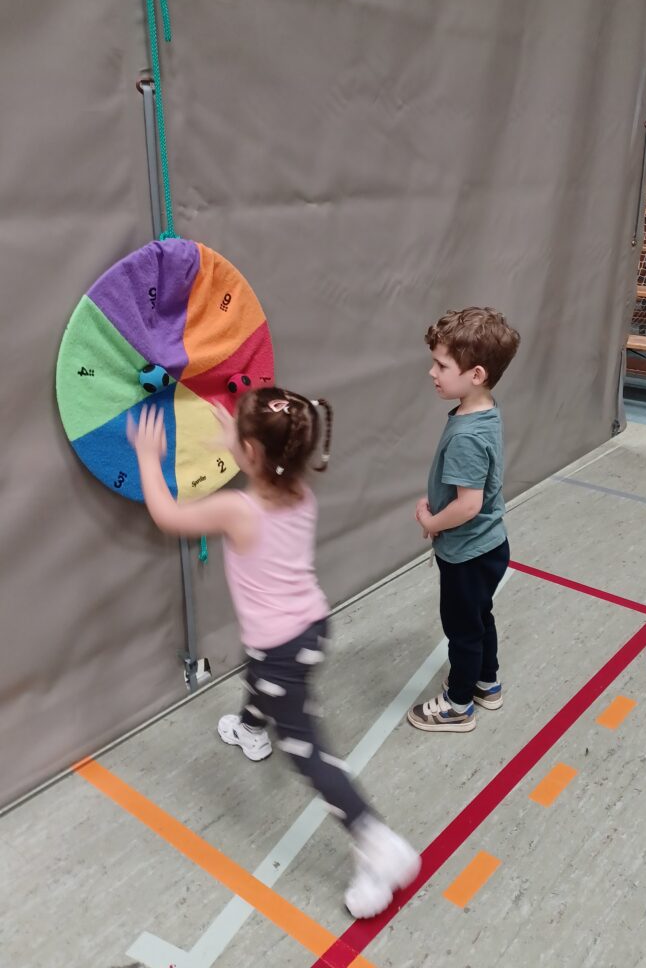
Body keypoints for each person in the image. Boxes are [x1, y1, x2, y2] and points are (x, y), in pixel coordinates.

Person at [127, 387, 420, 917]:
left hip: (279, 648)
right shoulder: (301, 491)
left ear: (252, 453)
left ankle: (375, 841)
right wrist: (238, 440)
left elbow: (167, 515)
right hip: (311, 629)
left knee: (306, 750)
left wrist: (148, 457)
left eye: (240, 439)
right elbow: (270, 465)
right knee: (264, 680)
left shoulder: (237, 510)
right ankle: (249, 727)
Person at [408, 307, 521, 734]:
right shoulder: (483, 410)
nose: (431, 372)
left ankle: (458, 705)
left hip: (467, 553)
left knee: (462, 630)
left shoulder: (466, 436)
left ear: (476, 374)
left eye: (441, 365)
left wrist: (432, 520)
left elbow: (468, 505)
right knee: (479, 616)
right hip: (489, 545)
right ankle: (486, 683)